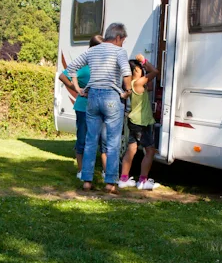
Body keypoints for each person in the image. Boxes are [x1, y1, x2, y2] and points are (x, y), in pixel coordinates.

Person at [64, 22, 132, 194]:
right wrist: (128, 91)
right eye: (122, 40)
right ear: (117, 37)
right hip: (111, 97)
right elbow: (126, 72)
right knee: (112, 142)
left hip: (92, 97)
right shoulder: (119, 52)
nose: (122, 43)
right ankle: (110, 183)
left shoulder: (92, 51)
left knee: (90, 140)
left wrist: (78, 89)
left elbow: (71, 68)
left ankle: (86, 181)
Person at [58, 34, 107, 179]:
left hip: (101, 107)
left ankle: (106, 172)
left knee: (104, 140)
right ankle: (81, 171)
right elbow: (63, 75)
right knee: (83, 139)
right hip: (83, 107)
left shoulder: (104, 64)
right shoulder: (84, 63)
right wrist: (76, 89)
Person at [119, 53, 159, 191]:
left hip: (133, 121)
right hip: (142, 122)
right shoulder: (138, 83)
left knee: (131, 149)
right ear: (135, 71)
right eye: (140, 68)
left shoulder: (131, 84)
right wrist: (144, 61)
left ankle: (123, 179)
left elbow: (151, 86)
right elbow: (155, 72)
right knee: (150, 151)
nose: (142, 69)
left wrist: (145, 69)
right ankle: (143, 181)